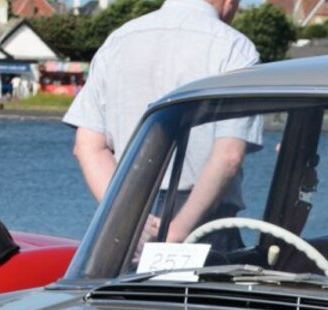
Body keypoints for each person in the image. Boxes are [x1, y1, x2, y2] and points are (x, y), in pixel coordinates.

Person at [63, 0, 261, 244]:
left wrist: (125, 215)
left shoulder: (118, 40)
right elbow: (229, 156)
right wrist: (179, 229)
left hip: (126, 216)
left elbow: (87, 146)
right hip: (203, 219)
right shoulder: (235, 48)